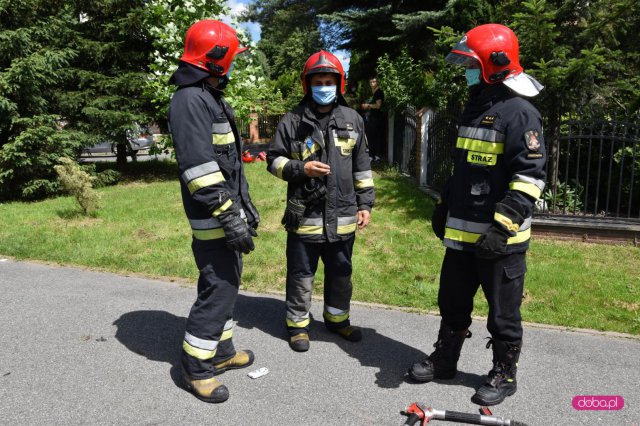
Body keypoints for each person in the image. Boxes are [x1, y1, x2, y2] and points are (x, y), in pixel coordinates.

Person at [407, 24, 546, 407]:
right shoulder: (477, 106)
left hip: (501, 241)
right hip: (462, 236)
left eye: (471, 64)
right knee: (452, 302)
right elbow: (466, 170)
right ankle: (445, 358)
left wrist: (502, 228)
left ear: (494, 64)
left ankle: (504, 373)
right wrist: (443, 205)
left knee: (503, 314)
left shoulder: (520, 113)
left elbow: (529, 178)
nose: (466, 71)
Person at [167, 19, 259, 403]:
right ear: (216, 60)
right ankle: (196, 368)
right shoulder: (190, 100)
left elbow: (230, 163)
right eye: (232, 58)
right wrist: (228, 214)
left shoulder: (208, 95)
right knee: (218, 287)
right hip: (212, 216)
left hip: (224, 212)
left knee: (226, 283)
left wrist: (244, 208)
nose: (234, 65)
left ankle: (220, 353)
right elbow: (199, 168)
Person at [267, 51, 375, 352]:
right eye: (318, 82)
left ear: (339, 84)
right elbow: (273, 161)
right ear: (307, 85)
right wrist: (302, 169)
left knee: (341, 272)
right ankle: (298, 326)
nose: (324, 86)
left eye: (329, 81)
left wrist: (365, 204)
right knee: (301, 274)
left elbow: (362, 165)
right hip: (306, 216)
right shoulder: (292, 121)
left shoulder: (353, 120)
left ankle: (337, 320)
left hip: (343, 217)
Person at [361, 77, 385, 161]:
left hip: (376, 118)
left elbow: (378, 106)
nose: (372, 83)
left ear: (377, 82)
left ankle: (373, 155)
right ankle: (373, 155)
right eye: (371, 82)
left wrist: (368, 105)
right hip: (372, 118)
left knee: (373, 136)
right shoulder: (373, 92)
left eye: (374, 82)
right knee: (371, 136)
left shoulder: (378, 92)